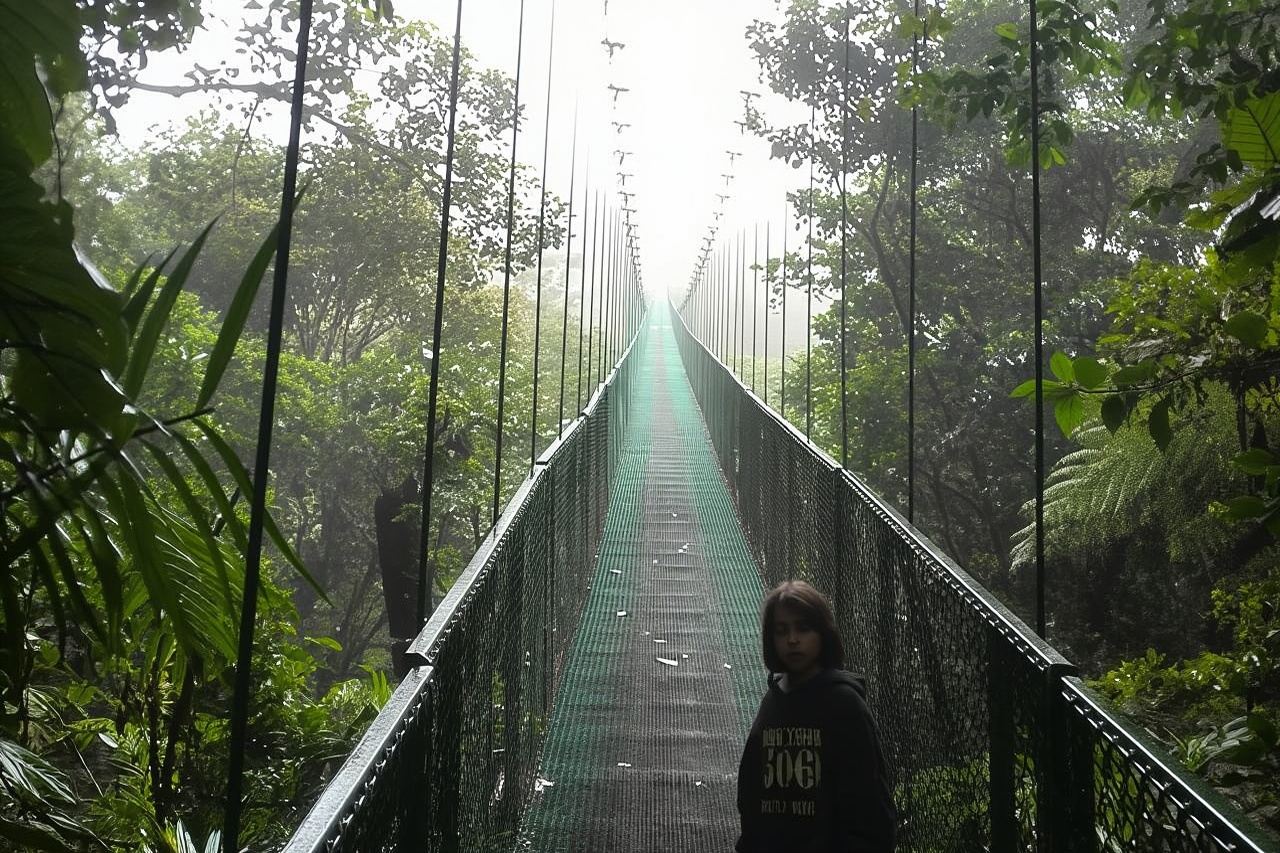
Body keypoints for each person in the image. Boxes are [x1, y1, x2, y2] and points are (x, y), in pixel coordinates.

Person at [736, 580, 896, 852]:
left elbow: (870, 805)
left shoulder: (845, 705)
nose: (792, 639)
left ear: (823, 634)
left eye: (804, 628)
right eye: (781, 631)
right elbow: (750, 794)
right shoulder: (772, 703)